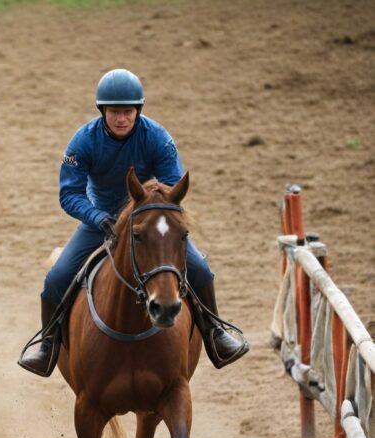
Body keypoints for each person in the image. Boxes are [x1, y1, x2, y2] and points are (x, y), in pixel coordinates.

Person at [18, 68, 248, 376]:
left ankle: (216, 334)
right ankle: (47, 345)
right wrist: (98, 217)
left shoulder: (158, 137)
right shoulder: (81, 142)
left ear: (137, 110)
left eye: (128, 111)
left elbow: (171, 185)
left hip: (149, 221)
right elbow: (69, 194)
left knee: (202, 271)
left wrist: (151, 211)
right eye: (115, 112)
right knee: (57, 278)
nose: (122, 118)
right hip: (102, 220)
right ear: (103, 111)